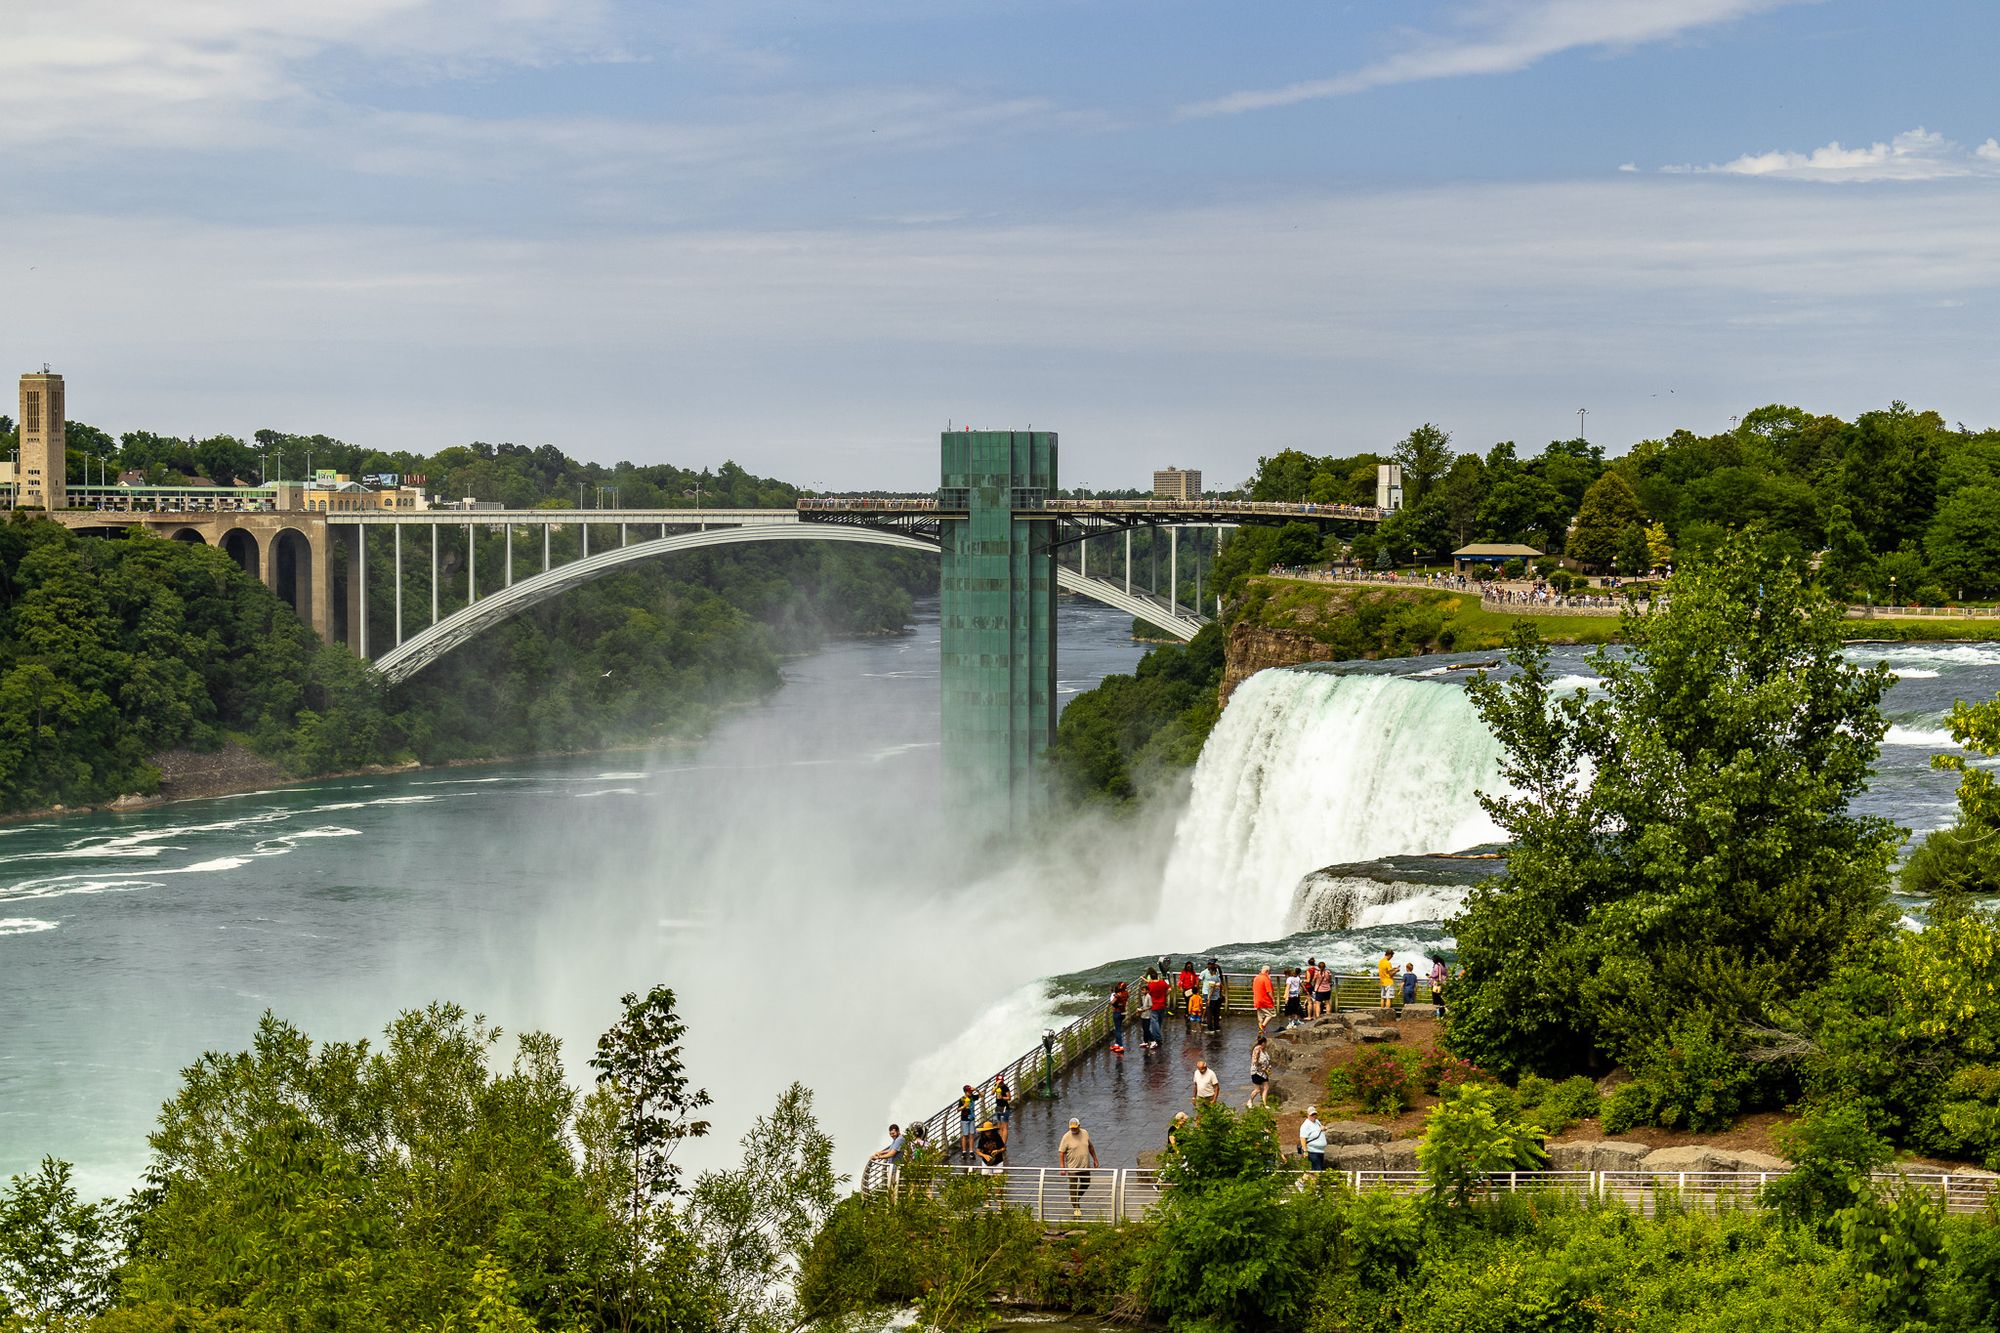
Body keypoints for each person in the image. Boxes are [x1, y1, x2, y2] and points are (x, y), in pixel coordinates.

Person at [1058, 1117, 1099, 1218]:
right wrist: (1062, 1167)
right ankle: (1076, 1207)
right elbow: (1061, 1153)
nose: (1073, 1130)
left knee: (1086, 1183)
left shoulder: (1085, 1133)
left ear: (1079, 1126)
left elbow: (1090, 1147)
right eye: (1072, 1128)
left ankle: (1074, 1198)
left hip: (1085, 1166)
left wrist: (1095, 1159)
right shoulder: (1066, 1137)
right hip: (1072, 1168)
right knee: (1073, 1187)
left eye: (1075, 1128)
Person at [1144, 969, 1170, 1050]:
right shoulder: (1162, 982)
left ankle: (1157, 1038)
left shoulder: (1150, 985)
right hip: (1162, 1004)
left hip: (1154, 1005)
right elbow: (1169, 989)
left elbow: (1148, 994)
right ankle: (1156, 1035)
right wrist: (1164, 995)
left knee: (1154, 1022)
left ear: (1151, 977)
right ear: (1157, 976)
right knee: (1159, 1021)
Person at [1248, 1034, 1271, 1107]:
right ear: (1263, 1043)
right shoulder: (1257, 1049)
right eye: (1266, 1043)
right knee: (1257, 1090)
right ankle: (1250, 1101)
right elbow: (1255, 1061)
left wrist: (1268, 1066)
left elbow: (1267, 1059)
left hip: (1264, 1072)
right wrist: (1262, 1066)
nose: (1266, 1044)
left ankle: (1264, 1104)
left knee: (1266, 1087)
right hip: (1256, 1072)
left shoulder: (1264, 1050)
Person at [1252, 965, 1277, 1033]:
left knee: (1260, 1016)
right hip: (1265, 1000)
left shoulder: (1256, 978)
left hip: (1257, 1000)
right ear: (1267, 971)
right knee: (1271, 1014)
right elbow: (1269, 991)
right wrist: (1273, 999)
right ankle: (1262, 1027)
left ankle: (1261, 1030)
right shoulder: (1266, 979)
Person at [956, 1084, 978, 1159]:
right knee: (965, 1136)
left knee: (971, 1135)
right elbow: (958, 1110)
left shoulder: (972, 1097)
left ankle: (971, 1151)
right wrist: (964, 1106)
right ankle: (964, 1152)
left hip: (972, 1119)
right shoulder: (962, 1099)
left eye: (971, 1091)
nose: (970, 1093)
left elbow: (982, 1095)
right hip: (964, 1119)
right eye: (969, 1091)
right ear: (965, 1092)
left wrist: (976, 1090)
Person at [1178, 959, 1199, 1027]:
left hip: (1192, 989)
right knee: (1188, 1002)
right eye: (1188, 966)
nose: (1189, 967)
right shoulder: (1184, 972)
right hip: (1186, 990)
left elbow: (1196, 979)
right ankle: (1187, 1013)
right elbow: (1181, 981)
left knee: (1192, 1002)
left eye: (1190, 966)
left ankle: (1190, 1013)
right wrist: (1181, 988)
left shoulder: (1193, 972)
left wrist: (1196, 985)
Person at [1204, 961, 1225, 1032]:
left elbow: (1211, 989)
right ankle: (1217, 1027)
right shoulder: (1218, 978)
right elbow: (1221, 987)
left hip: (1212, 998)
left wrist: (1209, 998)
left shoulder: (1212, 978)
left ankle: (1210, 1028)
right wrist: (1221, 995)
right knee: (1216, 1013)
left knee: (1209, 1013)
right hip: (1218, 998)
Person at [1110, 980, 1130, 1052]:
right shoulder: (1126, 993)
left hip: (1117, 1012)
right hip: (1123, 1012)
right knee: (1118, 1027)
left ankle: (1121, 1046)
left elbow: (1112, 1002)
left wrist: (1112, 995)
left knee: (1117, 1030)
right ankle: (1116, 1044)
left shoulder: (1118, 995)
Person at [992, 1074, 1012, 1144]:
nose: (1001, 1083)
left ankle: (1003, 1143)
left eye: (1001, 1081)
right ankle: (1000, 1143)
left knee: (1005, 1126)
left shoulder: (1005, 1087)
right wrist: (996, 1085)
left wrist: (1002, 1098)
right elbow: (992, 1093)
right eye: (999, 1081)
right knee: (999, 1126)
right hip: (998, 1107)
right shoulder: (996, 1086)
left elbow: (1009, 1097)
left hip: (1005, 1108)